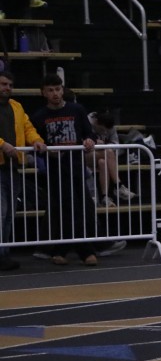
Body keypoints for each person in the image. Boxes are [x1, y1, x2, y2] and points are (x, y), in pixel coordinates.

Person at [30, 74, 100, 266]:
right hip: (55, 171)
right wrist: (47, 151)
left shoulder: (77, 110)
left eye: (58, 89)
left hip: (76, 167)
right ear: (43, 93)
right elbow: (35, 143)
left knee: (82, 208)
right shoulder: (39, 116)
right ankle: (74, 250)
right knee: (64, 210)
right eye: (50, 90)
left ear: (63, 89)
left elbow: (89, 133)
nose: (55, 93)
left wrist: (89, 140)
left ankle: (75, 249)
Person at [0, 70, 45, 271]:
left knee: (9, 213)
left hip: (12, 167)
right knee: (1, 212)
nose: (7, 88)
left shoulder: (16, 106)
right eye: (3, 84)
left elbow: (28, 128)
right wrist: (2, 144)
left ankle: (4, 253)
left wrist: (36, 140)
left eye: (10, 85)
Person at [84, 110, 135, 207]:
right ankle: (118, 186)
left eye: (107, 131)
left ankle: (105, 197)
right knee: (109, 152)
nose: (105, 132)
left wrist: (104, 144)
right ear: (96, 123)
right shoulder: (86, 123)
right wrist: (96, 143)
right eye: (102, 130)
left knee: (103, 162)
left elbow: (116, 145)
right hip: (85, 155)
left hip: (101, 155)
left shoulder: (110, 127)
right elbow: (81, 140)